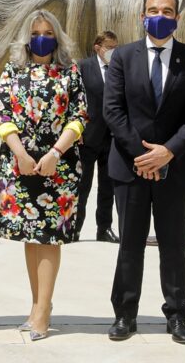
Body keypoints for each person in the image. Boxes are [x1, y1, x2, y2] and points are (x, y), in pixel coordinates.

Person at [103, 0, 185, 344]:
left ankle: (177, 315)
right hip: (130, 168)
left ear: (177, 18)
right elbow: (113, 112)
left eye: (167, 11)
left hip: (176, 168)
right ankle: (125, 314)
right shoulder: (122, 57)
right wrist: (143, 155)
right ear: (142, 16)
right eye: (153, 10)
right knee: (129, 245)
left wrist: (167, 152)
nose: (160, 16)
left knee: (172, 245)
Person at [0, 9, 88, 341]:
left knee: (49, 237)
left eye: (49, 32)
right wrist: (19, 153)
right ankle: (35, 306)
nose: (42, 38)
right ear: (25, 36)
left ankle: (44, 311)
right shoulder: (12, 70)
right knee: (29, 236)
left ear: (58, 37)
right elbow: (2, 113)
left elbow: (79, 116)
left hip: (58, 167)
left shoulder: (70, 72)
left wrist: (54, 154)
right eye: (36, 32)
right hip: (18, 165)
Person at [76, 31, 119, 243]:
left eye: (115, 47)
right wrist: (76, 130)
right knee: (82, 186)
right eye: (108, 47)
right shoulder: (83, 67)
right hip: (87, 138)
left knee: (107, 187)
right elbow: (75, 99)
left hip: (111, 139)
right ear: (97, 47)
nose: (111, 51)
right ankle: (74, 228)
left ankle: (104, 228)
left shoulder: (118, 69)